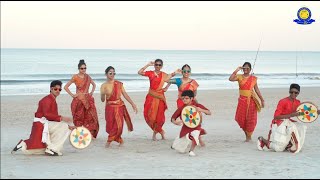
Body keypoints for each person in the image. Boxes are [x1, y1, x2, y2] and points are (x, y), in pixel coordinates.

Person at [11, 80, 75, 156]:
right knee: (64, 126)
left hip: (45, 123)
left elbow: (53, 118)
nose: (58, 91)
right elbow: (47, 115)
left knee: (64, 127)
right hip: (41, 124)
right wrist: (63, 118)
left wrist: (68, 125)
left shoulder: (52, 99)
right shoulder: (46, 100)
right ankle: (52, 149)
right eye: (55, 89)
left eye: (59, 89)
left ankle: (24, 144)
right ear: (51, 89)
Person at [257, 84, 319, 153]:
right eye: (291, 92)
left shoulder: (297, 102)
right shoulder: (282, 101)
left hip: (288, 121)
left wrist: (316, 112)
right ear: (289, 91)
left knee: (302, 127)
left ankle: (290, 144)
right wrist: (291, 115)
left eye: (296, 93)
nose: (293, 94)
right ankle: (262, 139)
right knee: (278, 149)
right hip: (278, 122)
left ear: (298, 93)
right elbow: (276, 116)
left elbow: (303, 113)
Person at [138, 59, 180, 141]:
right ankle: (161, 132)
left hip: (160, 97)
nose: (158, 66)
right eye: (156, 64)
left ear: (162, 66)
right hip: (151, 97)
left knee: (159, 117)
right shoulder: (150, 73)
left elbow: (169, 79)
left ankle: (156, 133)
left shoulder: (164, 75)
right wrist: (148, 64)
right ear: (154, 65)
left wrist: (166, 87)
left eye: (159, 65)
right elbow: (139, 72)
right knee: (149, 116)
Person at [101, 66, 138, 147]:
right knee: (111, 126)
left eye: (114, 73)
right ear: (106, 74)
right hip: (109, 108)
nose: (112, 74)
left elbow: (125, 95)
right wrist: (103, 94)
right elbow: (103, 100)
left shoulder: (119, 84)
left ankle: (109, 141)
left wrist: (132, 104)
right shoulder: (104, 85)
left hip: (119, 107)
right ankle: (120, 140)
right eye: (110, 73)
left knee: (119, 125)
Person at [229, 62, 264, 142]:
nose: (246, 69)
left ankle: (248, 137)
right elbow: (230, 79)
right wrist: (236, 70)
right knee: (241, 119)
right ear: (242, 69)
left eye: (248, 68)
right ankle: (247, 136)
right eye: (244, 68)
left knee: (250, 119)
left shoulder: (253, 78)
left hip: (251, 101)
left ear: (250, 69)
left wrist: (262, 100)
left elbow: (257, 90)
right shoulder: (239, 77)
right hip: (242, 101)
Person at [64, 59, 99, 139]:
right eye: (82, 68)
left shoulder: (88, 77)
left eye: (85, 68)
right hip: (79, 101)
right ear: (78, 69)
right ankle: (78, 134)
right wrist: (72, 95)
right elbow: (66, 87)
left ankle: (89, 134)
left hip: (87, 100)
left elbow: (94, 85)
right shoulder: (75, 77)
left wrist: (91, 93)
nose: (83, 70)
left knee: (90, 117)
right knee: (79, 118)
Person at [171, 90, 212, 156]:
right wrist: (175, 122)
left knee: (195, 136)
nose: (184, 100)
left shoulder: (197, 105)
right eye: (183, 98)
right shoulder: (181, 108)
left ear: (192, 98)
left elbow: (209, 112)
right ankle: (177, 143)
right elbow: (173, 118)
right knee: (180, 148)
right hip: (186, 127)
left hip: (196, 126)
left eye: (186, 98)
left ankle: (191, 151)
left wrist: (201, 110)